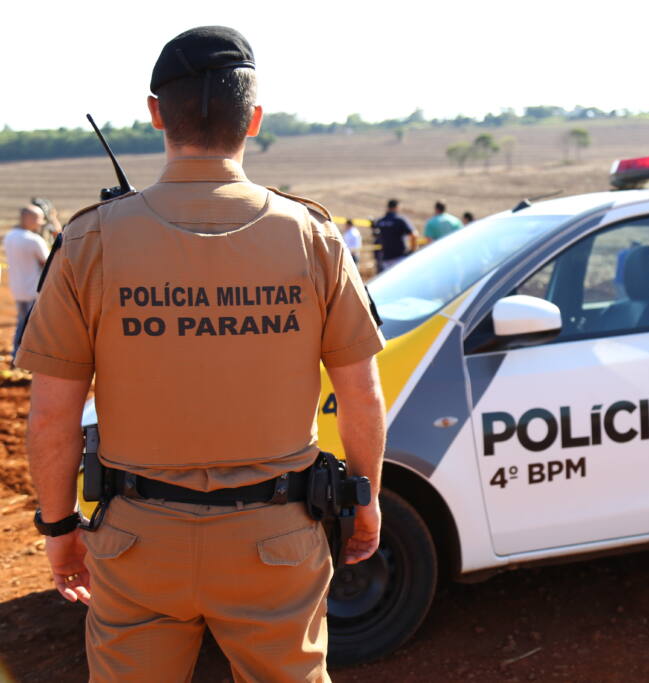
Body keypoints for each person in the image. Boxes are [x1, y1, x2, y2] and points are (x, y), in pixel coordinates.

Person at [18, 26, 386, 682]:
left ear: (156, 113)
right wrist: (368, 498)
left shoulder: (89, 242)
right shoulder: (314, 237)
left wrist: (58, 527)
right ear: (254, 120)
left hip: (137, 545)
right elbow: (361, 393)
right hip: (276, 541)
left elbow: (50, 415)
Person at [3, 205, 50, 363]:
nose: (41, 223)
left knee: (22, 322)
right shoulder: (34, 240)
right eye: (39, 219)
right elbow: (48, 263)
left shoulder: (10, 236)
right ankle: (29, 359)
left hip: (18, 288)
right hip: (33, 290)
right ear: (29, 219)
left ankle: (17, 355)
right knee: (34, 326)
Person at [374, 198, 416, 270]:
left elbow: (375, 235)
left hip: (386, 258)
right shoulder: (400, 220)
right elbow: (414, 235)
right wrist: (412, 251)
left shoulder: (380, 221)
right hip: (400, 257)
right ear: (397, 207)